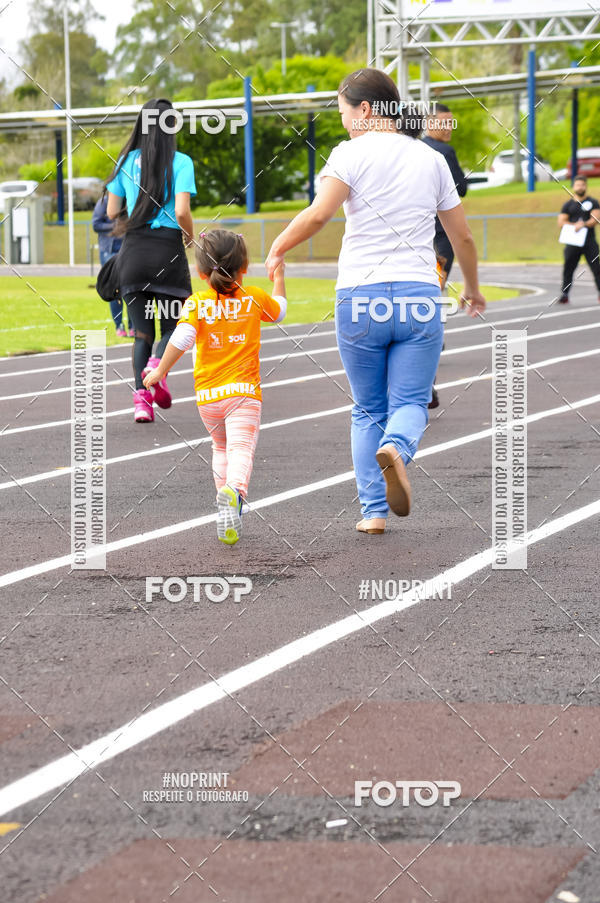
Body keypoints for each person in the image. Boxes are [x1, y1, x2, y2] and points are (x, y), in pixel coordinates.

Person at [266, 68, 485, 536]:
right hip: (419, 297)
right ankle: (398, 448)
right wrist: (472, 287)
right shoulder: (431, 160)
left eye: (344, 111)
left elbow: (320, 213)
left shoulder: (349, 153)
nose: (343, 122)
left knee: (366, 408)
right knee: (409, 400)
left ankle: (373, 513)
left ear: (365, 110)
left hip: (360, 298)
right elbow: (461, 235)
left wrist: (278, 247)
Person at [143, 229, 287, 545]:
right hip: (243, 394)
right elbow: (279, 311)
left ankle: (226, 508)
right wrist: (278, 277)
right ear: (245, 267)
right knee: (241, 449)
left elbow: (181, 338)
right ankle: (234, 492)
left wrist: (160, 372)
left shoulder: (197, 303)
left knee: (220, 447)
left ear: (200, 271)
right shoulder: (254, 298)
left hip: (208, 396)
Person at [106, 97, 196, 422]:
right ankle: (158, 366)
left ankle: (141, 402)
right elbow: (183, 211)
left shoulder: (126, 161)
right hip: (167, 254)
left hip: (133, 255)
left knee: (141, 332)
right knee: (174, 325)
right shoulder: (182, 162)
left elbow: (112, 212)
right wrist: (190, 235)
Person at [422, 102, 468, 408]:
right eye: (445, 122)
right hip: (439, 240)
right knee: (430, 308)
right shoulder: (442, 153)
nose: (449, 128)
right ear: (429, 122)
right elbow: (460, 189)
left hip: (414, 239)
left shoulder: (412, 148)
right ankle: (427, 385)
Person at [92, 191, 133, 338]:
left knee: (130, 288)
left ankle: (132, 325)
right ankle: (119, 326)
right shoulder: (104, 202)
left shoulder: (130, 198)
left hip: (128, 250)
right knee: (114, 289)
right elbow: (96, 224)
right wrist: (116, 227)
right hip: (109, 251)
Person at [557, 175, 600, 304]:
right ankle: (565, 294)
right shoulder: (568, 205)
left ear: (586, 186)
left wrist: (584, 224)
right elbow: (561, 222)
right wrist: (574, 225)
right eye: (578, 185)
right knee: (568, 268)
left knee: (596, 268)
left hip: (589, 242)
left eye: (582, 185)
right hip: (573, 243)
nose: (580, 187)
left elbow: (595, 219)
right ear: (573, 187)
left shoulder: (593, 202)